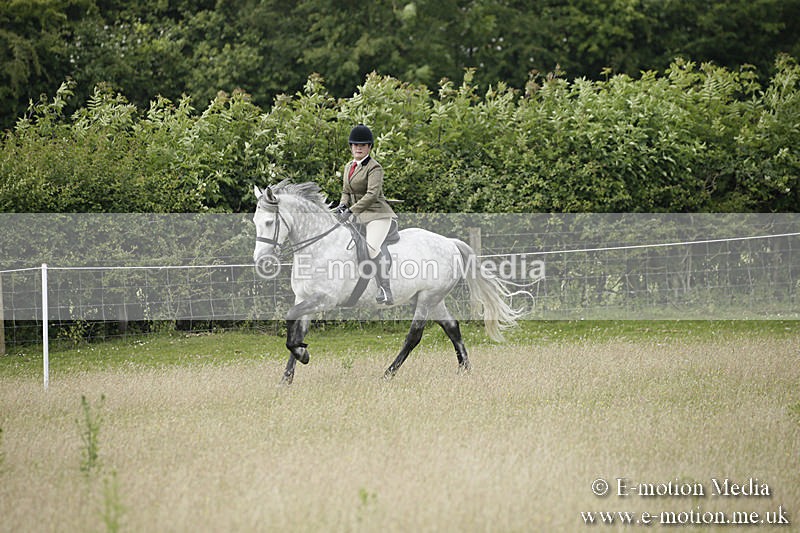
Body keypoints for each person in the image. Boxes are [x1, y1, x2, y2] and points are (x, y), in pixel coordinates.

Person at [336, 124, 397, 305]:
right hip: (358, 215)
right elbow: (346, 191)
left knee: (371, 248)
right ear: (351, 146)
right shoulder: (349, 166)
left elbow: (372, 195)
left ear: (369, 147)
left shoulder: (374, 167)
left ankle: (385, 289)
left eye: (362, 145)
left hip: (377, 215)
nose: (359, 148)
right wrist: (342, 205)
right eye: (355, 145)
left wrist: (351, 210)